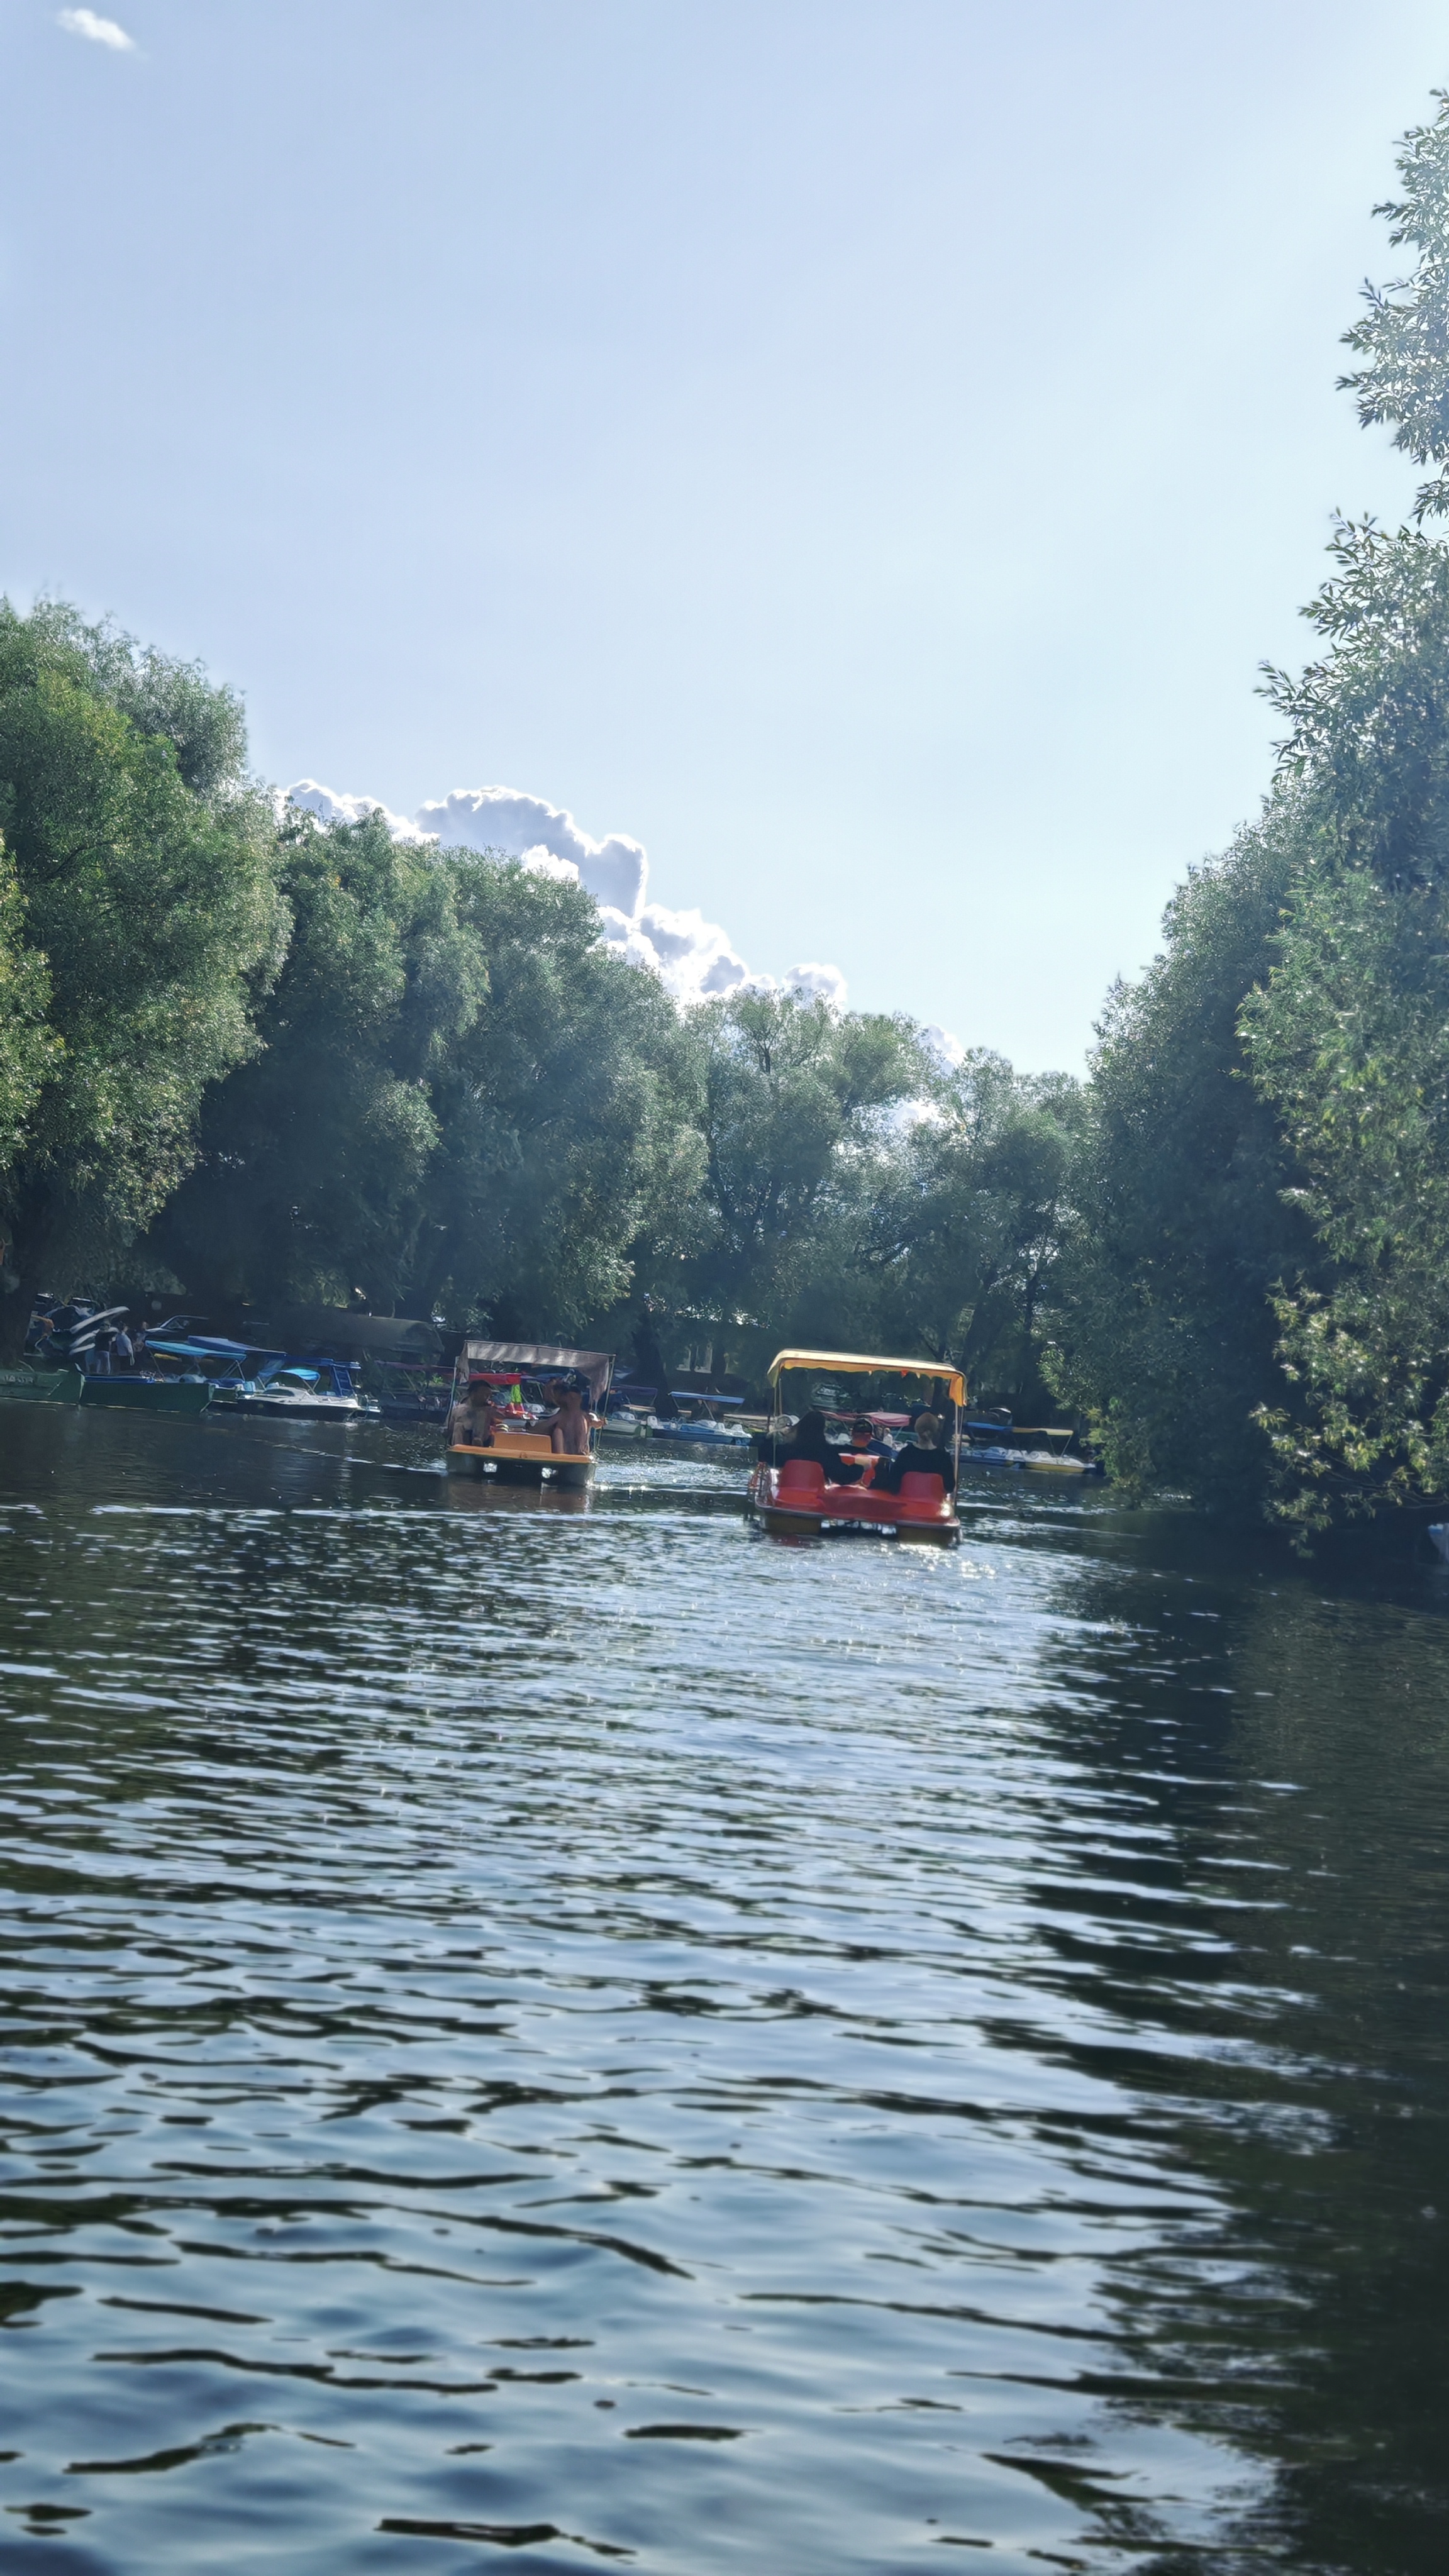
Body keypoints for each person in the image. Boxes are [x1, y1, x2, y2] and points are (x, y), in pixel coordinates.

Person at [871, 1411, 956, 1497]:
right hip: (934, 1503)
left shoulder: (906, 1453)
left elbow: (894, 1484)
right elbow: (950, 1487)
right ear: (935, 1431)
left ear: (917, 1429)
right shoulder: (944, 1457)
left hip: (907, 1501)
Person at [780, 1407, 862, 1485]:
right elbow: (843, 1477)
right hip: (815, 1493)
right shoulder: (827, 1453)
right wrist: (860, 1467)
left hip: (784, 1493)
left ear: (800, 1428)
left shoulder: (785, 1450)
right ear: (822, 1430)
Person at [540, 1376, 592, 1456]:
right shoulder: (583, 1417)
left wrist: (529, 1426)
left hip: (568, 1457)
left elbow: (541, 1427)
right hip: (578, 1456)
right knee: (558, 1432)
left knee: (558, 1431)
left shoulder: (562, 1417)